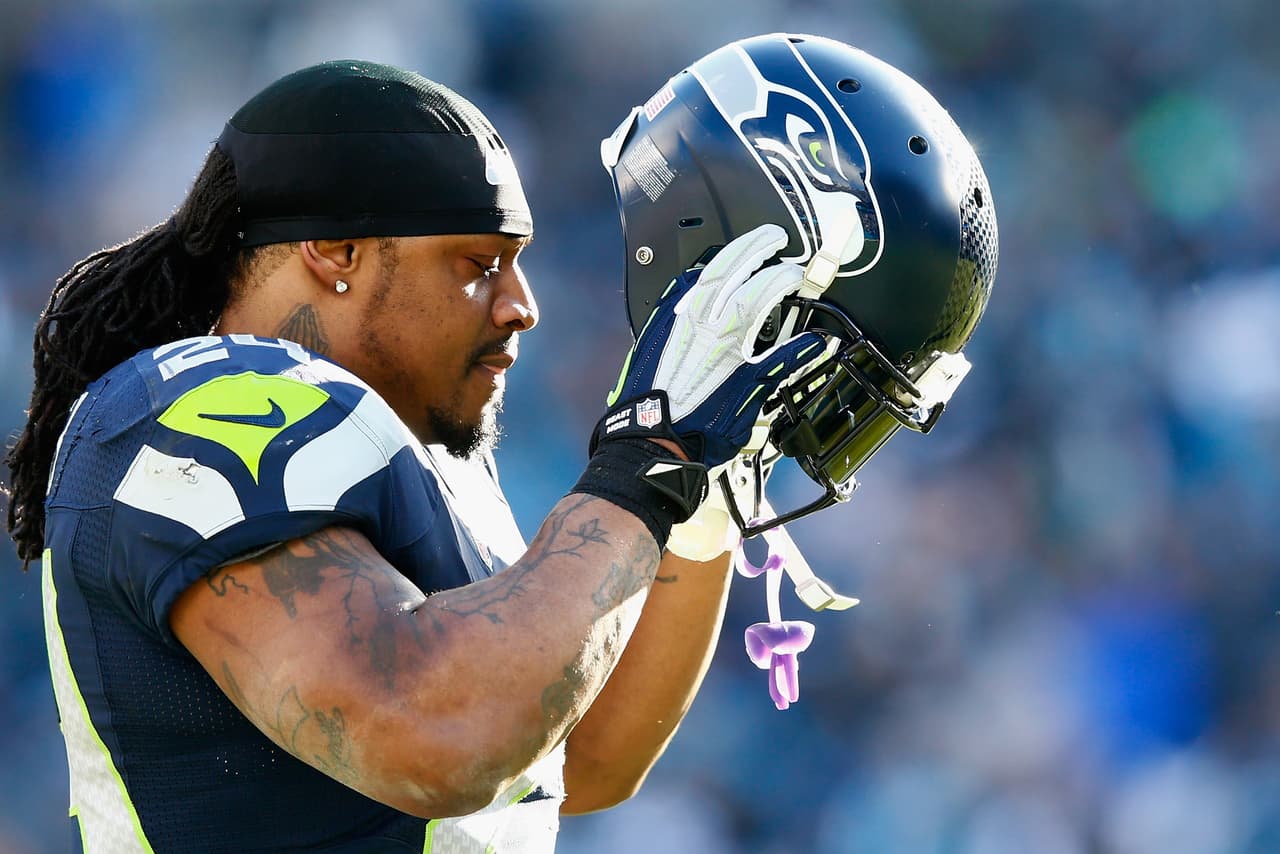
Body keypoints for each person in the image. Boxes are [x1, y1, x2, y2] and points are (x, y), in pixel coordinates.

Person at [3, 59, 829, 851]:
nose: (522, 307)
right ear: (334, 252)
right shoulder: (215, 405)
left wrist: (699, 498)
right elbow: (435, 734)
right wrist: (647, 466)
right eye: (479, 264)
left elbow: (583, 751)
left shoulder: (417, 456)